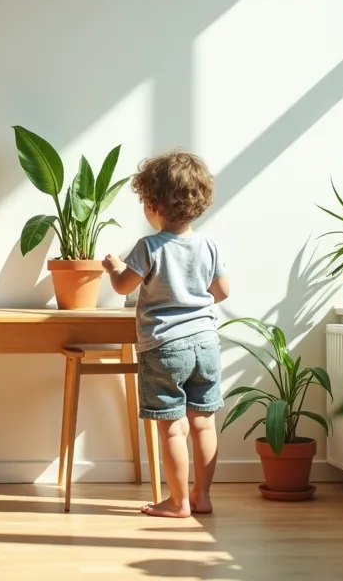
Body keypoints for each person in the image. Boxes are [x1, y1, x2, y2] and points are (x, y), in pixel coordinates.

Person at [102, 150, 229, 518]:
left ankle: (177, 502)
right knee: (203, 422)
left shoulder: (149, 247)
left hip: (164, 346)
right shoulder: (209, 246)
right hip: (206, 343)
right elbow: (222, 291)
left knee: (173, 430)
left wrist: (114, 267)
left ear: (154, 204)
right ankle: (202, 496)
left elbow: (126, 287)